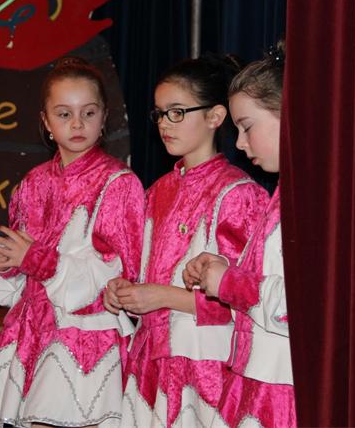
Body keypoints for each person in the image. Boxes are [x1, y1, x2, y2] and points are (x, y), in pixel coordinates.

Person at [0, 57, 145, 428]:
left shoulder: (119, 183)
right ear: (46, 122)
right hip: (32, 329)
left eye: (88, 113)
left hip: (84, 332)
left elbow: (116, 271)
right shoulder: (32, 183)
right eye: (64, 114)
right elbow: (23, 268)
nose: (77, 124)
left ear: (103, 117)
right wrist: (7, 263)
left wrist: (35, 258)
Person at [106, 56, 269, 428]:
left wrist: (163, 296)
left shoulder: (238, 194)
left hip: (206, 364)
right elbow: (140, 271)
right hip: (152, 360)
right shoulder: (156, 191)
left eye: (177, 112)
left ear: (215, 116)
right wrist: (124, 289)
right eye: (160, 113)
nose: (165, 123)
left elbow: (246, 300)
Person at [183, 42, 296, 427]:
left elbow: (303, 305)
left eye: (247, 127)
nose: (241, 143)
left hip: (282, 386)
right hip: (259, 377)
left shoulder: (313, 203)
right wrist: (224, 269)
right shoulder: (283, 196)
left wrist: (230, 283)